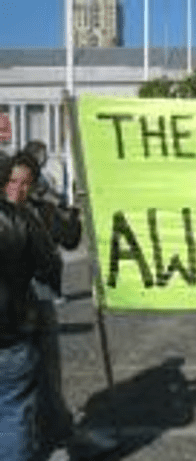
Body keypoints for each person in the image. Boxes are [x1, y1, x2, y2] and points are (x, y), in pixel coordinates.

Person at [0, 150, 63, 460]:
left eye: (25, 183)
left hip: (16, 328)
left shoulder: (34, 212)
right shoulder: (21, 219)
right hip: (12, 330)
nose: (18, 189)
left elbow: (69, 236)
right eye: (13, 181)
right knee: (14, 411)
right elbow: (50, 266)